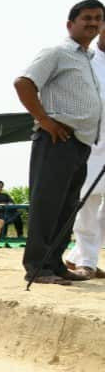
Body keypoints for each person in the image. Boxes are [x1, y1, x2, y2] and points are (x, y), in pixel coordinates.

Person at [14, 0, 104, 284]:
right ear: (70, 24)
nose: (92, 23)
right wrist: (44, 120)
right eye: (86, 18)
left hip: (80, 143)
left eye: (98, 19)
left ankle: (54, 263)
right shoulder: (58, 52)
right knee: (47, 204)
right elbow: (23, 82)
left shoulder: (87, 60)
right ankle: (37, 267)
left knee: (67, 206)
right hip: (56, 138)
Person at [67, 18, 105, 278]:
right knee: (88, 200)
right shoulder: (87, 61)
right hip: (91, 141)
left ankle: (79, 254)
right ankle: (86, 261)